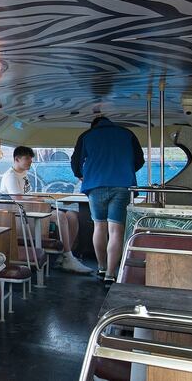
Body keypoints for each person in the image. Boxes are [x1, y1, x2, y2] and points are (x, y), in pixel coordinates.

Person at [71, 116, 144, 286]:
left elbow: (75, 162)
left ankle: (102, 268)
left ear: (93, 125)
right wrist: (123, 169)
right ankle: (111, 274)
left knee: (99, 226)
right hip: (122, 185)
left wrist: (81, 175)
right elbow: (139, 160)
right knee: (116, 230)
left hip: (95, 186)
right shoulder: (127, 134)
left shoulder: (87, 135)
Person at [0, 146, 91, 274]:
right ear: (17, 159)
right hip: (21, 215)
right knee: (60, 216)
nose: (30, 161)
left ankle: (65, 256)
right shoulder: (11, 176)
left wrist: (39, 198)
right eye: (27, 158)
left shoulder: (23, 174)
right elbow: (19, 200)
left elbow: (27, 194)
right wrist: (40, 201)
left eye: (31, 158)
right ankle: (68, 257)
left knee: (72, 215)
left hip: (31, 209)